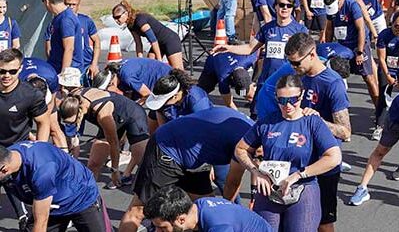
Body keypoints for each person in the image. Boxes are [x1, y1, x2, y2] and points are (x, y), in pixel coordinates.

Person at [236, 74, 342, 232]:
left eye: (293, 100)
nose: (288, 105)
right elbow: (240, 149)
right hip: (270, 190)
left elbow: (334, 157)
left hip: (302, 188)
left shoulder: (312, 122)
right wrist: (255, 172)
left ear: (302, 95)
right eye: (282, 100)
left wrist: (299, 175)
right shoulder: (267, 122)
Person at [119, 106, 252, 232]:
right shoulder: (246, 143)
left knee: (201, 213)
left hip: (196, 158)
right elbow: (232, 183)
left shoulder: (256, 131)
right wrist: (225, 209)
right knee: (139, 210)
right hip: (167, 148)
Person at [284, 32, 352, 232]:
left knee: (323, 222)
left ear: (312, 54)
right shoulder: (297, 77)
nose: (293, 68)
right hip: (297, 158)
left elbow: (346, 132)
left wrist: (318, 121)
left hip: (323, 163)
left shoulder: (332, 83)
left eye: (297, 63)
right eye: (290, 63)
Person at [56, 68, 149, 189]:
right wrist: (73, 140)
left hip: (132, 115)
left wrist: (115, 170)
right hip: (114, 116)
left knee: (142, 161)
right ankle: (88, 197)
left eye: (70, 122)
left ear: (79, 113)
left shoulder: (102, 114)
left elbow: (114, 143)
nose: (69, 125)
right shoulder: (72, 99)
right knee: (93, 164)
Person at [0, 141, 112, 232]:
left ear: (4, 169)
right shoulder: (8, 155)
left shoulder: (41, 171)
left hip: (80, 198)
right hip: (51, 202)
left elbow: (41, 221)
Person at [143, 185, 269, 232]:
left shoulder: (218, 226)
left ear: (181, 219)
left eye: (162, 227)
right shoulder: (198, 206)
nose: (157, 231)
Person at [111, 0, 184, 70]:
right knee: (150, 65)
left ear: (126, 13)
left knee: (177, 71)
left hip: (170, 40)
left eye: (118, 17)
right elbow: (138, 43)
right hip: (159, 43)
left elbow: (153, 41)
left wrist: (159, 61)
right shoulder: (130, 25)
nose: (116, 20)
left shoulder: (140, 21)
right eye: (114, 18)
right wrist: (140, 60)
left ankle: (188, 83)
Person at [0, 48, 51, 146]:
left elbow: (43, 122)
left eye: (12, 71)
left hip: (16, 151)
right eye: (2, 71)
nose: (7, 75)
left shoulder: (31, 94)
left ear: (20, 69)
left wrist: (39, 149)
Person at [43, 0, 84, 75]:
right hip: (56, 67)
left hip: (70, 71)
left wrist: (64, 75)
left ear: (47, 1)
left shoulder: (66, 20)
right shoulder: (59, 17)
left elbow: (69, 48)